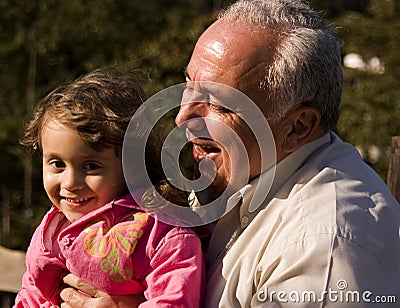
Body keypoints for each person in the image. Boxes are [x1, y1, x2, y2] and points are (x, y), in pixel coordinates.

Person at [59, 0, 400, 306]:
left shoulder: (324, 247)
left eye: (219, 104)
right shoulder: (235, 178)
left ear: (297, 127)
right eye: (188, 84)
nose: (182, 116)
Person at [14, 69, 205, 308]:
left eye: (91, 166)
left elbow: (175, 301)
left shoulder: (160, 234)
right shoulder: (51, 230)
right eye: (57, 164)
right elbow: (30, 295)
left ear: (131, 166)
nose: (70, 182)